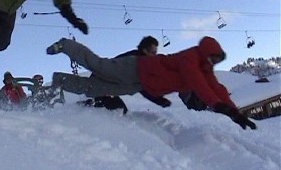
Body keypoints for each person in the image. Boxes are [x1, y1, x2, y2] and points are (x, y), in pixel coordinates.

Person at [46, 36, 257, 130]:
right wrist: (219, 107)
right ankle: (67, 44)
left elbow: (216, 88)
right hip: (135, 68)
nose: (213, 63)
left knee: (93, 90)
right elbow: (198, 84)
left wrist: (235, 113)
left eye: (217, 61)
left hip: (137, 84)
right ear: (205, 53)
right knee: (98, 65)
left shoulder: (205, 68)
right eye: (213, 58)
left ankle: (59, 80)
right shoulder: (190, 59)